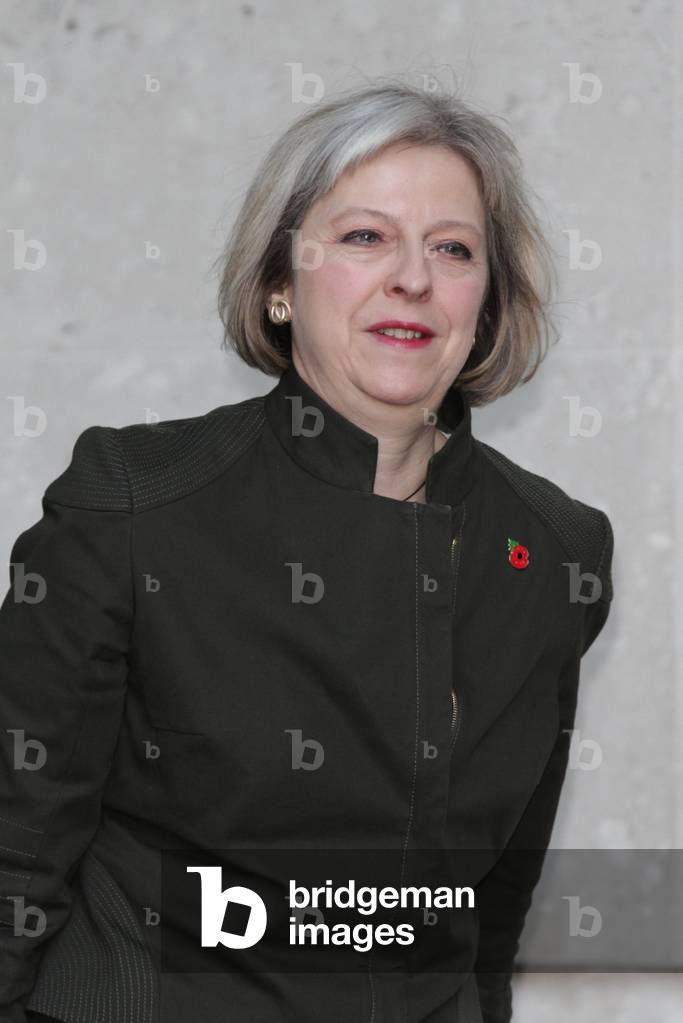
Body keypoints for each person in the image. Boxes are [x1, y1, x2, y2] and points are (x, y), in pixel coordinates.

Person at [1, 79, 614, 1023]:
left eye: (451, 248)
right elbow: (17, 855)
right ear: (280, 282)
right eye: (365, 237)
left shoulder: (556, 549)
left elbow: (490, 910)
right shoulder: (132, 502)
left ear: (485, 303)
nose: (411, 277)